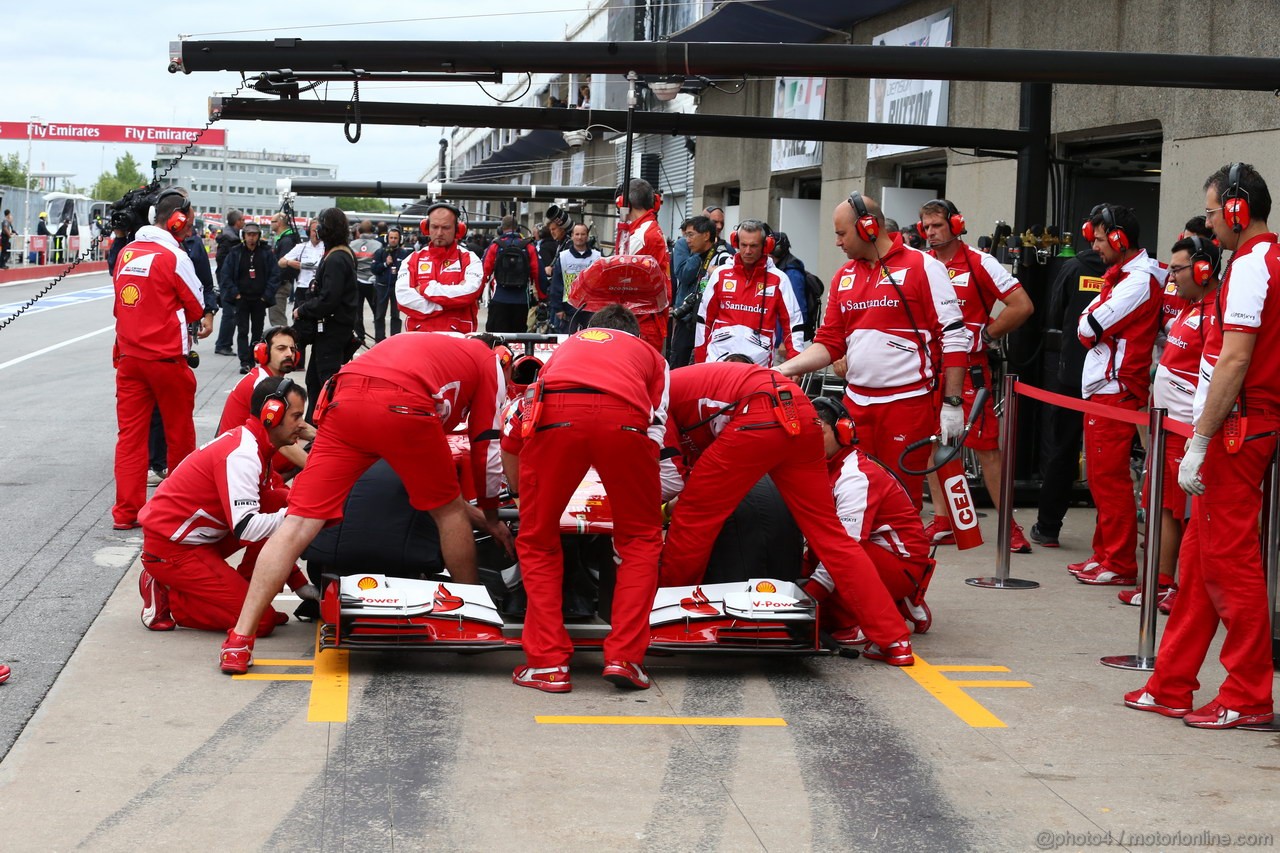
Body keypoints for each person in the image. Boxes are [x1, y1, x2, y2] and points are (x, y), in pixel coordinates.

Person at [218, 333, 515, 674]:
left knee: (297, 522)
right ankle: (469, 617)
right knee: (447, 513)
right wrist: (492, 514)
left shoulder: (426, 348)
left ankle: (240, 639)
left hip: (345, 400)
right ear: (502, 358)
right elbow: (487, 447)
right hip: (403, 404)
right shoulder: (488, 361)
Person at [1126, 162, 1279, 730]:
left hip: (1236, 430)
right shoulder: (1262, 261)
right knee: (1197, 561)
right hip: (1238, 425)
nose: (1211, 226)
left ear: (1238, 210)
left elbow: (1235, 358)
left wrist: (1202, 439)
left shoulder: (1253, 265)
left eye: (1214, 213)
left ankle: (1248, 693)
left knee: (1229, 565)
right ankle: (1171, 683)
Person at [658, 360, 915, 665]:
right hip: (800, 412)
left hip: (757, 414)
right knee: (833, 539)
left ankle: (664, 619)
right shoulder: (678, 386)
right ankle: (895, 640)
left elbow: (671, 477)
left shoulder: (653, 396)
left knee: (692, 519)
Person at [508, 305, 669, 693]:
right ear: (637, 335)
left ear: (589, 330)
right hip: (626, 422)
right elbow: (656, 431)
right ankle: (625, 659)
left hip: (555, 417)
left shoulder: (562, 349)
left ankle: (547, 664)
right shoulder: (653, 358)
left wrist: (518, 496)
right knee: (641, 540)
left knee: (536, 538)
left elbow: (516, 425)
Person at [777, 193, 970, 508]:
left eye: (841, 233)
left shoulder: (923, 265)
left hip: (906, 406)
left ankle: (906, 558)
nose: (837, 242)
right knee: (854, 497)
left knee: (901, 504)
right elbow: (830, 341)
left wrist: (952, 403)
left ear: (868, 227)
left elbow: (955, 337)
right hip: (855, 406)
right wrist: (785, 370)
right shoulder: (843, 276)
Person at [138, 377, 311, 637]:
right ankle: (171, 595)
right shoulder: (243, 454)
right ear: (270, 415)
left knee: (279, 499)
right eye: (297, 416)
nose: (302, 425)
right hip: (173, 548)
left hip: (196, 538)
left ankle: (237, 590)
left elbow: (272, 509)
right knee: (260, 622)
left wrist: (298, 582)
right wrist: (300, 517)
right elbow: (247, 529)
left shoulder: (254, 443)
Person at [916, 199, 1035, 552]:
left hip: (969, 370)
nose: (931, 233)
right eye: (926, 226)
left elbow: (1022, 305)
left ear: (956, 224)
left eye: (937, 225)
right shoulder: (919, 264)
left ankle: (1008, 526)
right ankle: (942, 520)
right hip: (928, 368)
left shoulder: (981, 262)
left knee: (986, 450)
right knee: (932, 443)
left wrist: (988, 334)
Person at [1117, 235, 1221, 610]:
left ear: (1203, 269)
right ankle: (1161, 580)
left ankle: (1183, 588)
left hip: (1187, 431)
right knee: (1160, 504)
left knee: (1184, 513)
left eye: (1178, 269)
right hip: (1167, 429)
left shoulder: (1215, 313)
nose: (1172, 278)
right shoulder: (1191, 309)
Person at [1069, 204, 1163, 586]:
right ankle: (1103, 554)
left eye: (1099, 238)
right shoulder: (1121, 275)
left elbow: (1089, 328)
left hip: (1118, 388)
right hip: (1106, 388)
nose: (1094, 246)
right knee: (1101, 478)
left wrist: (1093, 321)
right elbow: (1087, 320)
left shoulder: (1138, 280)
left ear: (1120, 238)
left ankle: (1120, 563)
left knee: (1110, 480)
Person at [110, 189, 212, 530]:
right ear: (176, 220)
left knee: (130, 439)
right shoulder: (174, 256)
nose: (191, 230)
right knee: (179, 437)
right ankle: (177, 512)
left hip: (129, 359)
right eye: (189, 223)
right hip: (167, 359)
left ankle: (126, 513)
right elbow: (197, 305)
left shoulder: (126, 252)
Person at [808, 396, 936, 637]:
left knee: (827, 562)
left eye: (819, 431)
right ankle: (899, 600)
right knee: (809, 560)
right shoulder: (827, 464)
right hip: (884, 553)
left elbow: (845, 548)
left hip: (902, 564)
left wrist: (810, 594)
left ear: (843, 433)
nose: (810, 440)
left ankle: (854, 624)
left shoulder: (855, 476)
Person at [1030, 236, 1108, 548]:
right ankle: (1110, 540)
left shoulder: (1074, 267)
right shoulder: (1133, 275)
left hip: (1071, 375)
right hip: (1109, 380)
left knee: (1061, 451)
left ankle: (1048, 528)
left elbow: (1053, 313)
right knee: (1108, 462)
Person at [693, 219, 804, 366]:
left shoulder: (779, 280)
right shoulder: (720, 274)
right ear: (736, 242)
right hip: (717, 360)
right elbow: (704, 320)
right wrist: (700, 362)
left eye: (753, 246)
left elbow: (793, 324)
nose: (747, 251)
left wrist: (796, 363)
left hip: (757, 365)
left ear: (766, 246)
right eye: (743, 245)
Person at [217, 325, 314, 474]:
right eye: (281, 349)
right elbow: (279, 436)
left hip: (242, 452)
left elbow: (295, 425)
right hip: (240, 461)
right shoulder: (263, 385)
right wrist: (317, 468)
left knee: (318, 447)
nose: (290, 354)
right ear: (264, 353)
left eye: (293, 349)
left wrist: (328, 439)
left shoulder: (267, 379)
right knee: (316, 457)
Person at [294, 208, 360, 423]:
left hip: (332, 330)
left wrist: (303, 309)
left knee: (325, 383)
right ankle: (313, 426)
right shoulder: (341, 254)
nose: (317, 231)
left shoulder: (336, 259)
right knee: (314, 381)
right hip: (332, 329)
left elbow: (328, 300)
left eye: (320, 226)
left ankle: (324, 430)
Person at [396, 202, 485, 333]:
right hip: (420, 339)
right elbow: (403, 298)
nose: (439, 233)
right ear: (426, 228)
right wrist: (447, 304)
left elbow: (469, 292)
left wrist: (425, 288)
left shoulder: (470, 259)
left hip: (457, 339)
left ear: (458, 229)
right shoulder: (412, 259)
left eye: (446, 227)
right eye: (434, 227)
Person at [219, 223, 281, 375]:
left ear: (259, 236)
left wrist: (267, 295)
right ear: (244, 236)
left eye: (254, 234)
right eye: (249, 234)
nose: (251, 238)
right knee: (242, 331)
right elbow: (225, 274)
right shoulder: (235, 252)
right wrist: (235, 293)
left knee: (257, 332)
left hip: (260, 299)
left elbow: (275, 275)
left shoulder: (266, 253)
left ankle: (254, 358)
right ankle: (244, 361)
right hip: (241, 298)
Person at [669, 216, 730, 367]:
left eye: (691, 235)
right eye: (686, 235)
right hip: (688, 318)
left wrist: (717, 270)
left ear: (706, 235)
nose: (687, 240)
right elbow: (682, 274)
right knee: (677, 362)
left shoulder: (722, 256)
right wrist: (698, 256)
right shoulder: (692, 252)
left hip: (709, 322)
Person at [620, 178, 673, 346]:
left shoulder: (642, 236)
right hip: (644, 317)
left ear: (625, 202)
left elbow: (620, 275)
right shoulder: (647, 230)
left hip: (641, 320)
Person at [482, 215, 542, 333]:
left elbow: (484, 271)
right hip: (521, 301)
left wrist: (477, 295)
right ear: (518, 228)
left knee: (497, 338)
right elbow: (538, 273)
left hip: (499, 298)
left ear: (501, 229)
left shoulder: (496, 246)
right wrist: (542, 297)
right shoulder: (528, 246)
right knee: (518, 340)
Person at [549, 222, 601, 333]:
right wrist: (558, 308)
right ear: (572, 236)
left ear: (587, 236)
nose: (580, 237)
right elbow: (557, 284)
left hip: (591, 308)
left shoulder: (597, 257)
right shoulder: (563, 257)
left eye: (583, 234)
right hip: (569, 308)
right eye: (577, 234)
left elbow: (602, 283)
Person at [213, 209, 244, 357]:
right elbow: (223, 260)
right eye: (242, 220)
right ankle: (223, 344)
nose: (243, 222)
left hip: (228, 279)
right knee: (229, 313)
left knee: (230, 313)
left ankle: (223, 343)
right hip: (228, 280)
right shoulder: (229, 238)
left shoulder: (230, 236)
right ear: (237, 221)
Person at [370, 227, 410, 340]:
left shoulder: (404, 254)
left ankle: (395, 339)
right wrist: (385, 264)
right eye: (391, 237)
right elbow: (374, 269)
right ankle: (379, 339)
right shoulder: (380, 252)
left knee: (396, 315)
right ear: (387, 238)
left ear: (400, 239)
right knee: (379, 315)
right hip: (381, 288)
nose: (393, 240)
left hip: (396, 288)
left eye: (395, 238)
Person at [350, 220, 382, 342]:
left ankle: (360, 336)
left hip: (356, 280)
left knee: (357, 311)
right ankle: (379, 337)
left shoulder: (352, 244)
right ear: (373, 230)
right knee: (377, 311)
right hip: (372, 281)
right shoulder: (378, 245)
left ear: (359, 231)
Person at [280, 218, 324, 305]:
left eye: (318, 231)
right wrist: (290, 263)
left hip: (320, 289)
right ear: (308, 232)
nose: (316, 234)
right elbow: (281, 262)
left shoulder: (327, 248)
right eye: (314, 231)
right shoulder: (301, 247)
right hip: (303, 289)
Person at [536, 213, 569, 330]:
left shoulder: (567, 245)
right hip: (555, 297)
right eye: (550, 230)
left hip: (564, 298)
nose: (552, 232)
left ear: (562, 229)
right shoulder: (559, 244)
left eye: (554, 229)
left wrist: (552, 270)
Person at [268, 213, 300, 328]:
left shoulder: (286, 241)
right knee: (276, 316)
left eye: (272, 222)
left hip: (280, 285)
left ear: (279, 223)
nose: (270, 224)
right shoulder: (284, 239)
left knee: (277, 319)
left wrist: (275, 281)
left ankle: (283, 341)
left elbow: (283, 266)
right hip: (281, 283)